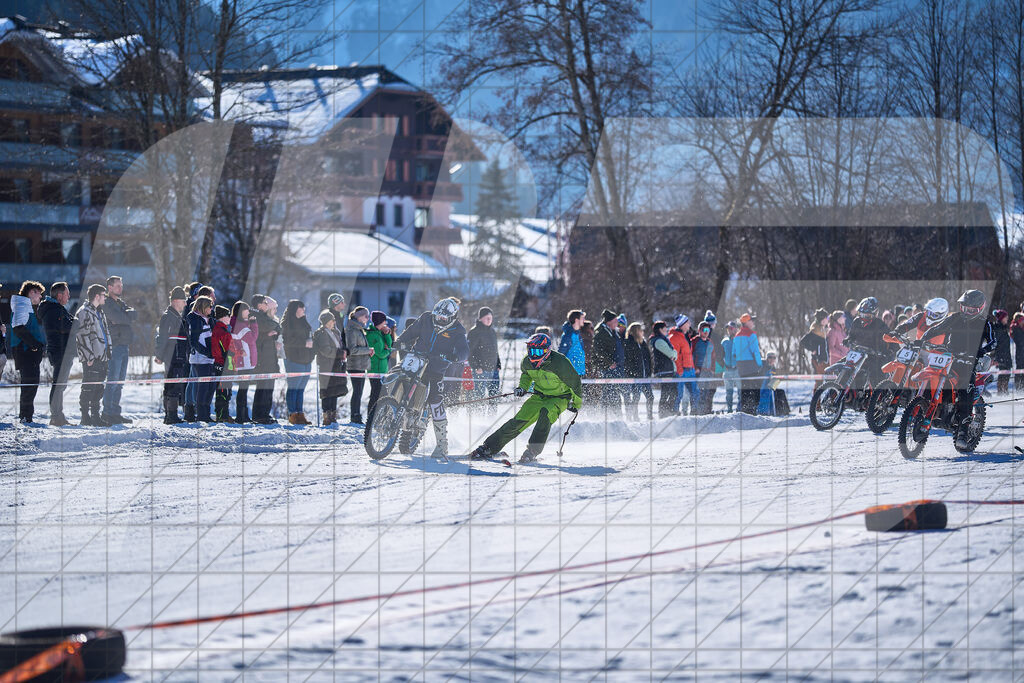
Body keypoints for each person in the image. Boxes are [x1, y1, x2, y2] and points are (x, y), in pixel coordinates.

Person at [469, 332, 582, 464]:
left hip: (560, 397)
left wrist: (576, 404)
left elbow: (575, 383)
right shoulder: (527, 362)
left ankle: (532, 451)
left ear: (547, 351)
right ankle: (489, 447)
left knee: (546, 414)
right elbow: (526, 376)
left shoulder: (560, 363)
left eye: (538, 352)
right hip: (539, 396)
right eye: (531, 350)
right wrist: (522, 387)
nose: (534, 355)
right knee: (518, 421)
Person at [392, 297, 469, 460]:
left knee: (435, 400)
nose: (439, 320)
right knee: (399, 376)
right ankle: (389, 408)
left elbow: (464, 350)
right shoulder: (426, 318)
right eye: (438, 316)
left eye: (444, 318)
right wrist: (400, 341)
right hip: (417, 359)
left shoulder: (458, 330)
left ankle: (442, 445)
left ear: (452, 317)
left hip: (436, 366)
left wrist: (456, 356)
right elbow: (411, 332)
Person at [923, 289, 996, 447]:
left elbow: (993, 341)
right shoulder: (954, 318)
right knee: (931, 376)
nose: (967, 312)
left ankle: (963, 431)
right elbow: (937, 328)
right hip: (949, 358)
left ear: (979, 309)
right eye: (964, 308)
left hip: (968, 362)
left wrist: (982, 350)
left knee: (965, 390)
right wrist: (922, 339)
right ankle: (922, 409)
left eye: (971, 309)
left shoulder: (985, 323)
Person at [100, 275, 136, 425]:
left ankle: (115, 412)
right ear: (110, 288)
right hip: (114, 345)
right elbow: (117, 317)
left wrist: (124, 317)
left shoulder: (121, 303)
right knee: (113, 380)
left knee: (120, 382)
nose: (121, 288)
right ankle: (107, 413)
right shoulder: (107, 303)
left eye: (121, 285)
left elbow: (134, 314)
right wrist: (125, 317)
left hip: (124, 345)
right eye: (117, 286)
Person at [74, 284, 111, 427]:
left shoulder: (99, 312)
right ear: (97, 296)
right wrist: (88, 357)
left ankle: (96, 416)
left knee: (99, 388)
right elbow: (82, 336)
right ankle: (85, 417)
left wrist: (108, 352)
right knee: (88, 387)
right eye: (104, 295)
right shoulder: (84, 312)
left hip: (102, 356)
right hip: (92, 358)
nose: (105, 298)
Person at [38, 282, 74, 425]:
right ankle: (56, 417)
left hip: (62, 351)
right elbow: (67, 326)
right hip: (60, 352)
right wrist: (75, 323)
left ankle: (58, 415)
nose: (69, 296)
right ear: (59, 295)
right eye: (67, 293)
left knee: (61, 385)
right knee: (58, 385)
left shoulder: (58, 309)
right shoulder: (53, 310)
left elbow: (70, 323)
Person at [10, 281, 45, 423]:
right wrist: (34, 344)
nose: (41, 297)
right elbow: (18, 328)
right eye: (39, 294)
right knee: (29, 385)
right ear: (32, 292)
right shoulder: (22, 306)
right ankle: (25, 417)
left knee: (31, 385)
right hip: (26, 354)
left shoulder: (24, 305)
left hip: (27, 353)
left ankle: (26, 416)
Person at [154, 286, 189, 425]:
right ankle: (170, 415)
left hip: (178, 356)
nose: (185, 303)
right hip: (172, 356)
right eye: (183, 300)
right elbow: (162, 338)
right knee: (172, 385)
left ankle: (170, 414)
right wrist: (159, 355)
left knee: (175, 385)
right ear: (175, 301)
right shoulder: (168, 317)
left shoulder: (176, 316)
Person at [845, 296, 889, 392]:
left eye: (867, 315)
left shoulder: (880, 325)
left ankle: (875, 397)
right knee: (842, 365)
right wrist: (847, 340)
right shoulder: (856, 321)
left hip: (874, 356)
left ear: (875, 314)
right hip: (858, 353)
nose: (864, 317)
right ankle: (838, 392)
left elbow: (890, 338)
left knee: (876, 375)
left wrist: (889, 351)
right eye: (862, 314)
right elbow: (852, 335)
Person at [281, 299, 314, 425]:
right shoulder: (287, 324)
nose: (303, 310)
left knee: (301, 389)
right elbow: (287, 341)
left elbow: (310, 336)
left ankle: (300, 414)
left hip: (306, 359)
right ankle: (293, 414)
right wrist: (304, 343)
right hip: (294, 359)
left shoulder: (303, 322)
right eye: (301, 308)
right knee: (293, 387)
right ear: (295, 309)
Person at [313, 309, 347, 426]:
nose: (334, 321)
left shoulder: (335, 332)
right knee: (327, 392)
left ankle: (333, 415)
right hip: (326, 366)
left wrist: (344, 352)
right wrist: (339, 353)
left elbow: (340, 345)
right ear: (327, 321)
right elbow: (326, 350)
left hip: (336, 366)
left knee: (334, 391)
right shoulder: (322, 333)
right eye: (332, 319)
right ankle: (326, 416)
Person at [250, 294, 281, 424]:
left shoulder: (263, 316)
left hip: (269, 357)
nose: (267, 305)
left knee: (269, 388)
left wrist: (272, 335)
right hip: (262, 357)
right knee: (262, 388)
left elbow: (276, 327)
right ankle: (259, 415)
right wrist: (268, 334)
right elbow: (268, 327)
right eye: (265, 303)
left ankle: (265, 414)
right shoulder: (255, 316)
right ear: (259, 305)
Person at [187, 296, 216, 422]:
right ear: (203, 307)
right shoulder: (195, 319)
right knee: (203, 387)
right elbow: (194, 341)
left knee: (210, 386)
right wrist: (207, 352)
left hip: (209, 359)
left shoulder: (207, 319)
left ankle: (206, 413)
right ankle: (201, 414)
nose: (211, 309)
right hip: (200, 359)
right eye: (210, 306)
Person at [229, 301, 258, 422]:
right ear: (241, 311)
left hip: (244, 360)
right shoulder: (240, 325)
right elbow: (252, 338)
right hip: (244, 361)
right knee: (243, 389)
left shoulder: (240, 323)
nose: (248, 312)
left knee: (244, 389)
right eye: (246, 310)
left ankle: (244, 415)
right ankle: (241, 416)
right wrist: (254, 324)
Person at [592, 309, 625, 414]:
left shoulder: (613, 332)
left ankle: (617, 415)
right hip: (607, 367)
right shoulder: (601, 333)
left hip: (615, 367)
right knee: (608, 392)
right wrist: (609, 363)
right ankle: (605, 415)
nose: (617, 323)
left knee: (615, 393)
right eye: (615, 321)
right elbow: (598, 351)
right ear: (608, 322)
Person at [345, 306, 374, 424]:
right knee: (357, 391)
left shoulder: (359, 329)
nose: (368, 318)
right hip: (355, 365)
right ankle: (355, 416)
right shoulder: (352, 330)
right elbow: (352, 350)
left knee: (359, 391)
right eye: (366, 316)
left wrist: (368, 351)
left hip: (361, 365)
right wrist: (368, 350)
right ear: (359, 317)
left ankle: (356, 415)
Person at [467, 306, 501, 402]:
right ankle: (479, 416)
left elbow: (495, 349)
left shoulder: (492, 331)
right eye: (487, 317)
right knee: (479, 397)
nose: (489, 320)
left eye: (491, 318)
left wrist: (498, 364)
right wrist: (476, 366)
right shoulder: (474, 332)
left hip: (494, 370)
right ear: (480, 318)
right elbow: (469, 352)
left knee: (494, 397)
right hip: (480, 371)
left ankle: (492, 417)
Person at [732, 313, 763, 414]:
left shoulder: (736, 335)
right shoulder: (751, 334)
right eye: (751, 320)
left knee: (745, 391)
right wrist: (760, 365)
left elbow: (734, 353)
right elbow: (756, 352)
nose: (753, 322)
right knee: (755, 391)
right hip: (752, 367)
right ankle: (753, 412)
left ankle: (745, 413)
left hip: (741, 368)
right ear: (746, 322)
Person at [365, 310, 393, 418]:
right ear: (379, 322)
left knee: (383, 394)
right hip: (375, 370)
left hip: (382, 370)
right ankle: (371, 416)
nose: (385, 324)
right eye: (384, 322)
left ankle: (380, 416)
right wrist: (388, 351)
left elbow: (389, 344)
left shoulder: (380, 333)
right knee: (376, 394)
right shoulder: (372, 335)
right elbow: (380, 354)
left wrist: (387, 334)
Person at [623, 321, 653, 420]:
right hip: (636, 376)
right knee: (636, 397)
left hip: (645, 376)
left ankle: (650, 416)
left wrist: (649, 371)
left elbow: (648, 358)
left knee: (650, 396)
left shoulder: (643, 343)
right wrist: (633, 373)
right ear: (636, 331)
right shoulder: (629, 343)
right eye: (641, 330)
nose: (642, 332)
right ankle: (635, 416)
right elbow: (628, 361)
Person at [668, 314, 697, 415]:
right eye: (688, 322)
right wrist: (679, 370)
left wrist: (693, 367)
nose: (690, 324)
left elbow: (688, 354)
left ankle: (694, 413)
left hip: (690, 370)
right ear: (683, 324)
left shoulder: (686, 336)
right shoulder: (674, 337)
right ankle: (675, 413)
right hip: (681, 371)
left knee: (695, 393)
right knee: (678, 394)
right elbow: (675, 357)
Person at [211, 305, 235, 423]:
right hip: (223, 365)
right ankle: (222, 416)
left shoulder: (222, 329)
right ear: (222, 317)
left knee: (225, 391)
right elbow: (228, 351)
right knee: (223, 392)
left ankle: (224, 414)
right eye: (228, 316)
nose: (230, 318)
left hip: (222, 364)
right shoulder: (221, 331)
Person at [650, 321, 678, 418]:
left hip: (669, 370)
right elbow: (671, 354)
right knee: (666, 393)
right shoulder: (659, 341)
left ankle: (668, 411)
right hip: (664, 371)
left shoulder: (664, 339)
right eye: (665, 328)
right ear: (660, 329)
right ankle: (663, 413)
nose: (667, 329)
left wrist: (673, 354)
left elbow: (674, 354)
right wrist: (673, 354)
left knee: (674, 392)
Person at [799, 309, 829, 390]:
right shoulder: (815, 330)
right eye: (827, 318)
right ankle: (816, 401)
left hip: (824, 359)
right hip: (818, 360)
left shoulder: (823, 329)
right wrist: (813, 349)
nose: (828, 320)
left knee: (828, 381)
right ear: (822, 319)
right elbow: (803, 341)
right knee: (819, 382)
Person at [691, 321, 717, 414]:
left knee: (708, 393)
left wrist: (713, 369)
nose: (706, 331)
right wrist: (695, 368)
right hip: (699, 372)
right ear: (699, 330)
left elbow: (713, 357)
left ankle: (706, 412)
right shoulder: (694, 341)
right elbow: (690, 355)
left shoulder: (710, 342)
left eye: (708, 329)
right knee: (699, 394)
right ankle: (697, 412)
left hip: (708, 372)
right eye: (704, 329)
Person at [326, 292, 349, 395]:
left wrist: (345, 349)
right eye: (342, 302)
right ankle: (327, 410)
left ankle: (333, 410)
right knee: (329, 386)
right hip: (330, 355)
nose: (344, 304)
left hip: (340, 354)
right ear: (336, 303)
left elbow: (342, 335)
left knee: (337, 387)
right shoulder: (327, 317)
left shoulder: (341, 317)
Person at [557, 310, 587, 379]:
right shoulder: (568, 334)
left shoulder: (578, 333)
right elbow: (561, 353)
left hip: (579, 372)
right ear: (577, 320)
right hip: (571, 373)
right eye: (582, 318)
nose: (584, 320)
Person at [720, 320, 741, 413]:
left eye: (731, 328)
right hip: (727, 370)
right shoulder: (724, 341)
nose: (729, 330)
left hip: (738, 370)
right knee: (729, 392)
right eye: (728, 329)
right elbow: (720, 356)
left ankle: (740, 409)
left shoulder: (740, 340)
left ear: (736, 329)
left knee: (740, 391)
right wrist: (722, 366)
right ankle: (729, 410)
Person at [992, 310, 1012, 395]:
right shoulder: (998, 329)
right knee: (1003, 375)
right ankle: (1001, 392)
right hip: (1001, 357)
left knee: (1007, 374)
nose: (1007, 318)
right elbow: (994, 344)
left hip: (1006, 356)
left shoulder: (1003, 328)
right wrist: (995, 358)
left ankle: (1005, 391)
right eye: (1005, 317)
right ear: (1001, 318)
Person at [1012, 312, 1024, 392]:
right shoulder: (1015, 328)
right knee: (1019, 370)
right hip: (1020, 353)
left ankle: (1022, 387)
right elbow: (1020, 341)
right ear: (1019, 320)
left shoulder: (1021, 328)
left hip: (1022, 352)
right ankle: (1018, 387)